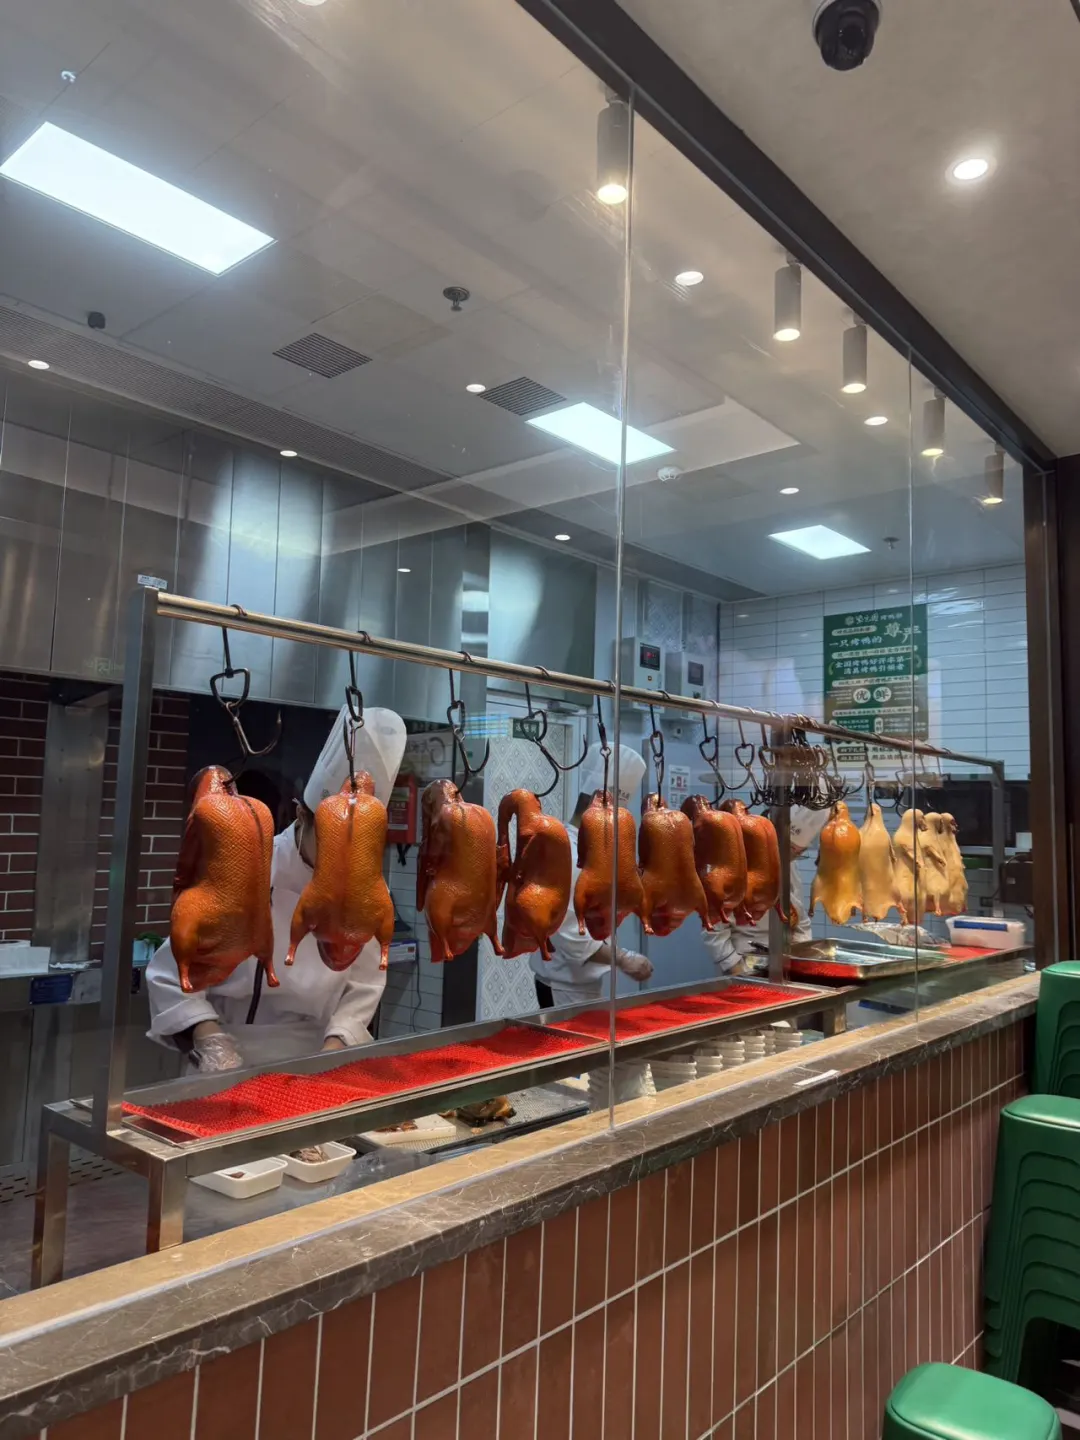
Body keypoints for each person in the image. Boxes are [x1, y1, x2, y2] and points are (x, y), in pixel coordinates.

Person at [147, 704, 407, 1071]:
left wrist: (335, 1047)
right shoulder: (249, 865)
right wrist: (211, 1043)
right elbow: (170, 976)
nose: (348, 858)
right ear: (302, 816)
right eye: (332, 837)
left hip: (317, 1062)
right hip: (223, 1060)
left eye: (363, 843)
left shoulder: (365, 888)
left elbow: (365, 984)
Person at [531, 743, 654, 1010]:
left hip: (584, 984)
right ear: (594, 806)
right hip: (561, 985)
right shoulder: (565, 850)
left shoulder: (595, 852)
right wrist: (623, 958)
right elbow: (568, 934)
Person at [701, 803, 830, 974]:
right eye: (791, 850)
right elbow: (714, 929)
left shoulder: (788, 865)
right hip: (745, 960)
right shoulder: (735, 864)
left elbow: (800, 916)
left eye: (799, 853)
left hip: (786, 960)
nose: (790, 858)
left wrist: (800, 954)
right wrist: (734, 967)